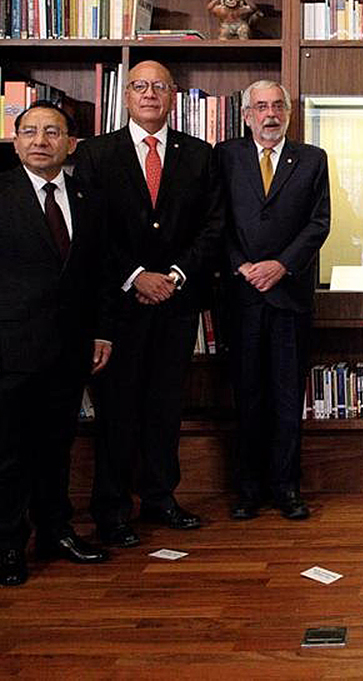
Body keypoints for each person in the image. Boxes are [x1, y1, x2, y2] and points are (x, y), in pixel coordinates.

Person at [0, 103, 115, 586]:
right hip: (10, 347)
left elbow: (101, 274)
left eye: (52, 132)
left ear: (71, 144)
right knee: (10, 451)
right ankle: (8, 544)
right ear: (16, 141)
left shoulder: (88, 197)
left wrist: (102, 331)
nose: (41, 141)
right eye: (30, 132)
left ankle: (55, 531)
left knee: (57, 446)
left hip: (71, 347)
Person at [72, 60, 225, 547]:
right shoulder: (97, 153)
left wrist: (175, 275)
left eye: (160, 86)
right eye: (140, 86)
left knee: (165, 407)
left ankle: (161, 497)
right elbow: (90, 230)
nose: (150, 94)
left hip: (177, 303)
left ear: (173, 96)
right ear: (126, 96)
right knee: (117, 412)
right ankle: (112, 510)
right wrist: (137, 276)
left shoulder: (199, 155)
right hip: (117, 307)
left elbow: (214, 227)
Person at [216, 80, 330, 521]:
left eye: (278, 106)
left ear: (288, 113)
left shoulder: (312, 159)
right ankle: (248, 491)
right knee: (247, 396)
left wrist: (281, 266)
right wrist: (242, 265)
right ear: (247, 115)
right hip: (241, 295)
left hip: (289, 296)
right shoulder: (226, 156)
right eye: (261, 107)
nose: (270, 114)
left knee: (286, 397)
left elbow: (319, 223)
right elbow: (216, 220)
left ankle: (286, 489)